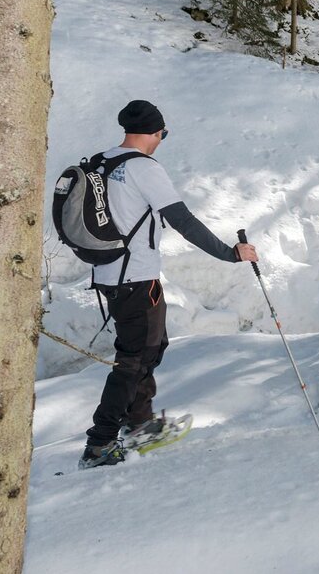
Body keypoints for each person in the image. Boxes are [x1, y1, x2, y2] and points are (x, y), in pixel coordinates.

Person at [79, 100, 259, 469]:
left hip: (110, 273)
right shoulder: (142, 168)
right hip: (135, 275)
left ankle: (139, 422)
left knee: (150, 346)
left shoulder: (100, 162)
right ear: (156, 132)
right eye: (163, 133)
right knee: (133, 359)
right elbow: (182, 220)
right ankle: (100, 443)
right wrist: (230, 253)